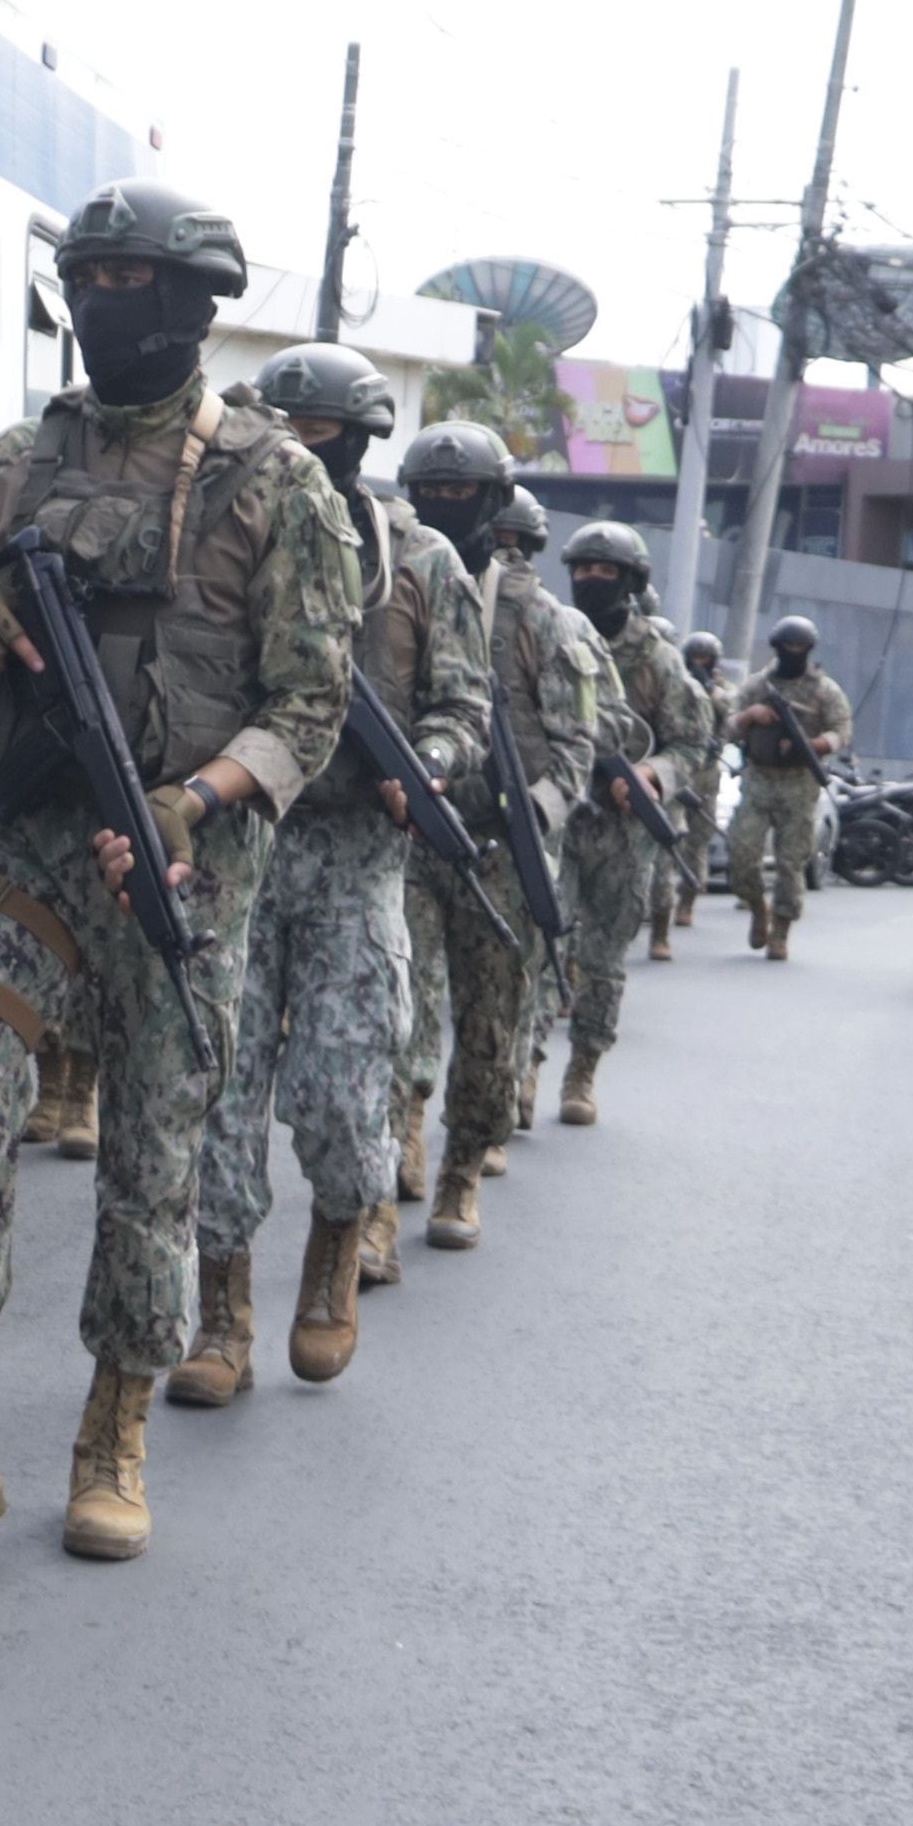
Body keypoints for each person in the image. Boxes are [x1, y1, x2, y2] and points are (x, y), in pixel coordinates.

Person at [0, 177, 357, 1573]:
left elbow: (310, 705)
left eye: (134, 282)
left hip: (183, 874)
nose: (104, 306)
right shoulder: (19, 461)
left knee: (152, 1157)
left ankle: (111, 1431)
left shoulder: (275, 482)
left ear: (195, 303)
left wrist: (197, 797)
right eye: (87, 279)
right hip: (26, 847)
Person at [169, 342, 483, 1404]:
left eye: (322, 436)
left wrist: (428, 768)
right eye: (286, 430)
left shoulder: (420, 561)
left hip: (354, 856)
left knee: (345, 1092)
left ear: (358, 440)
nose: (302, 451)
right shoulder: (230, 525)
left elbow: (459, 711)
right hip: (239, 841)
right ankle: (220, 1317)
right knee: (217, 1087)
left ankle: (331, 1264)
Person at [388, 446, 603, 1252]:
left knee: (489, 1025)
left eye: (463, 492)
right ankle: (399, 1143)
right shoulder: (400, 584)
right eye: (432, 491)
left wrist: (531, 820)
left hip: (501, 849)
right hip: (411, 830)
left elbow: (577, 749)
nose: (446, 503)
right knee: (397, 1005)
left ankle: (462, 1168)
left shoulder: (547, 622)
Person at [549, 522, 710, 1123]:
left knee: (602, 960)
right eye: (582, 571)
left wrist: (652, 777)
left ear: (632, 581)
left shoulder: (660, 660)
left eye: (604, 572)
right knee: (543, 949)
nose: (591, 581)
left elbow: (691, 744)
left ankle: (583, 1069)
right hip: (559, 819)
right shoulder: (557, 636)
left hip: (623, 833)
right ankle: (522, 1068)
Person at [729, 614, 847, 957]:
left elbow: (841, 731)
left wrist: (814, 745)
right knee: (743, 854)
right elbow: (728, 726)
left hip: (799, 783)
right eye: (787, 646)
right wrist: (751, 716)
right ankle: (756, 908)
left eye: (800, 646)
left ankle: (780, 929)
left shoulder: (824, 690)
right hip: (759, 780)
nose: (793, 651)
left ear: (809, 649)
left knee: (791, 862)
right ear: (777, 647)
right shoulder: (756, 686)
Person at [661, 627, 734, 954]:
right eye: (695, 657)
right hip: (677, 769)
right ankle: (661, 904)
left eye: (706, 658)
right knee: (671, 833)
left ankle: (688, 900)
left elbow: (734, 718)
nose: (699, 663)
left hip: (706, 770)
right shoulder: (675, 680)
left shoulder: (723, 689)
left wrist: (712, 694)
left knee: (698, 840)